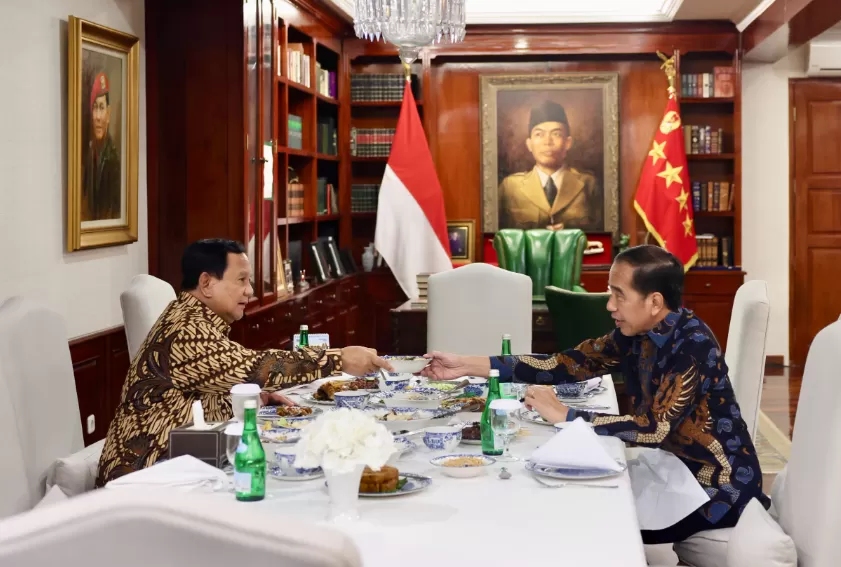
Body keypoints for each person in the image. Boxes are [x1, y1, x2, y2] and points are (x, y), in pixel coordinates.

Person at [422, 245, 768, 543]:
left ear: (655, 301)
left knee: (594, 519)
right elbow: (565, 364)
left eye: (619, 295)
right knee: (565, 494)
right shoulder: (636, 332)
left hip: (717, 484)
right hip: (673, 469)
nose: (610, 305)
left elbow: (654, 428)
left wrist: (568, 416)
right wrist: (465, 364)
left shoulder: (692, 344)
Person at [96, 239, 392, 486]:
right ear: (206, 283)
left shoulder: (197, 320)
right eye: (241, 280)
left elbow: (197, 396)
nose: (250, 291)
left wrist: (255, 397)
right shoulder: (186, 330)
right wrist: (338, 359)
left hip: (179, 466)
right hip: (143, 481)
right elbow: (254, 366)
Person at [498, 100, 601, 231]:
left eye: (556, 134)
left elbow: (601, 234)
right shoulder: (510, 187)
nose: (547, 141)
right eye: (539, 134)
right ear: (529, 144)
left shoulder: (588, 184)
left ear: (568, 143)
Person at [82, 71, 121, 221]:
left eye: (102, 108)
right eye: (95, 108)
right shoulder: (90, 152)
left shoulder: (114, 160)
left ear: (109, 114)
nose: (98, 116)